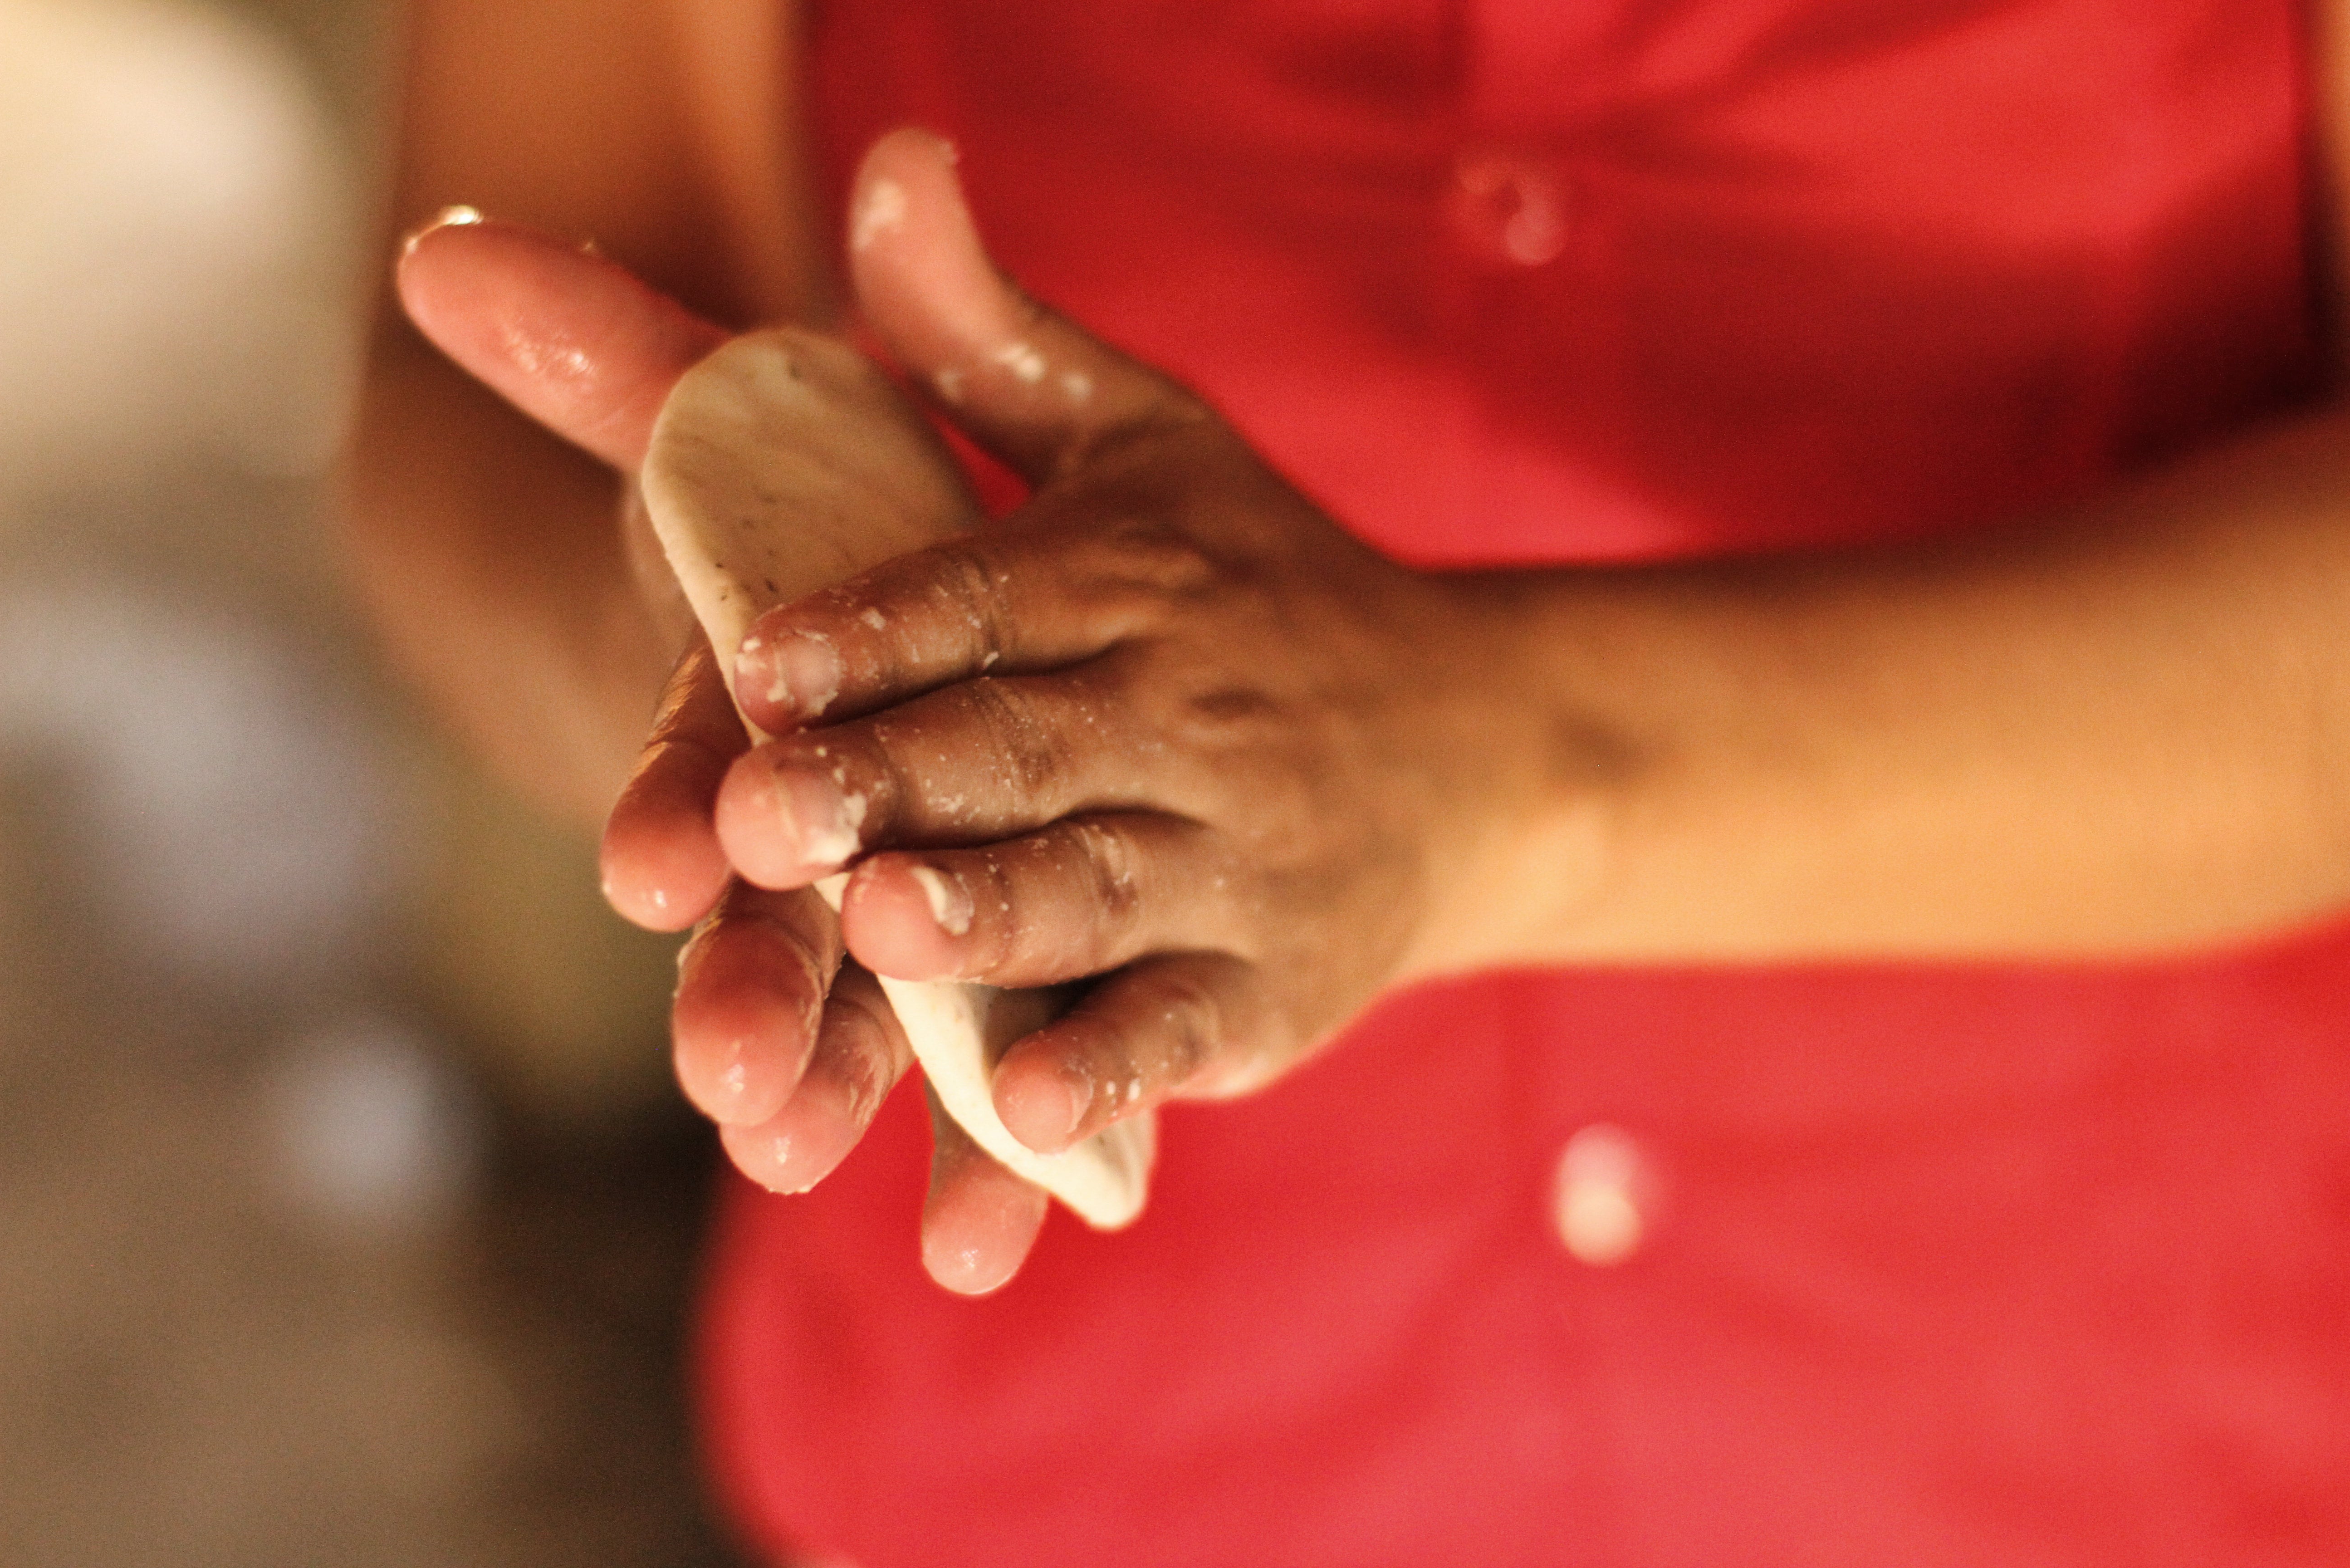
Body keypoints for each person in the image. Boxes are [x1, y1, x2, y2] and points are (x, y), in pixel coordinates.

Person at [351, 0, 2350, 1561]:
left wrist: (1485, 766)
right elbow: (479, 394)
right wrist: (728, 634)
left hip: (2114, 1436)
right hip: (1087, 1463)